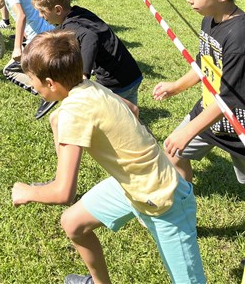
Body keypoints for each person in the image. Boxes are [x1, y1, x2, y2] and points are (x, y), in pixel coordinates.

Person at [12, 30, 206, 284]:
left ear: (50, 83)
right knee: (73, 223)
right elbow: (133, 109)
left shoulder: (73, 112)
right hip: (131, 186)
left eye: (32, 81)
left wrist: (26, 191)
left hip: (164, 200)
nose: (32, 87)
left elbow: (63, 192)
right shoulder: (88, 85)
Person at [153, 0, 245, 185]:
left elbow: (231, 100)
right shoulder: (209, 19)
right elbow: (205, 64)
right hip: (209, 112)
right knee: (174, 152)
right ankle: (184, 204)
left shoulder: (239, 38)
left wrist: (189, 131)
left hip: (238, 122)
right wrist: (176, 86)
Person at [32, 0, 143, 105]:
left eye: (42, 11)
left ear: (58, 10)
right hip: (131, 73)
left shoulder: (72, 26)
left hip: (115, 83)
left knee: (104, 118)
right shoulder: (79, 12)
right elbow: (65, 30)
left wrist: (83, 75)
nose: (41, 15)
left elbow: (90, 38)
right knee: (131, 118)